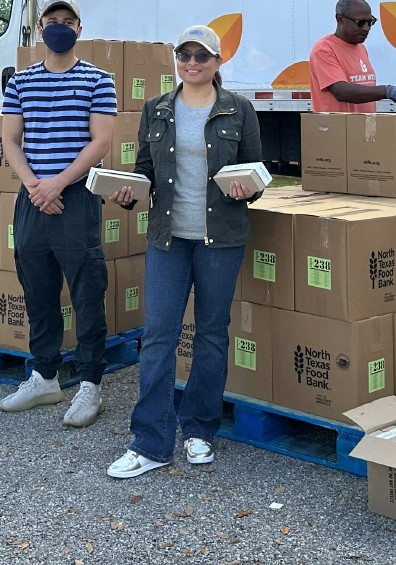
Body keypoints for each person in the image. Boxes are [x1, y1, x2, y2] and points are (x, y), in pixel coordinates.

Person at [106, 24, 264, 478]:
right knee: (158, 335)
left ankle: (199, 430)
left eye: (202, 56)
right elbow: (143, 171)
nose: (192, 63)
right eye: (184, 54)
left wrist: (244, 189)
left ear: (217, 62)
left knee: (212, 334)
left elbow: (256, 174)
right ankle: (151, 441)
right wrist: (129, 191)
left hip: (221, 239)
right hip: (168, 240)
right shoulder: (156, 110)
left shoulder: (239, 110)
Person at [0, 0, 117, 427]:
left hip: (76, 199)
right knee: (38, 291)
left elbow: (100, 142)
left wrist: (58, 183)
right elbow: (11, 140)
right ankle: (45, 375)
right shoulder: (22, 82)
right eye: (52, 20)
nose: (60, 26)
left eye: (69, 21)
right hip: (32, 200)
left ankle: (90, 386)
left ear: (79, 29)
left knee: (87, 293)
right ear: (40, 29)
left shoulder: (99, 80)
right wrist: (34, 185)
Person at [308, 0, 396, 113]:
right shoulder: (324, 49)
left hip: (365, 127)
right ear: (340, 19)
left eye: (370, 22)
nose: (366, 28)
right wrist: (387, 91)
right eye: (360, 22)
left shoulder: (361, 48)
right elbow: (341, 91)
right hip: (338, 129)